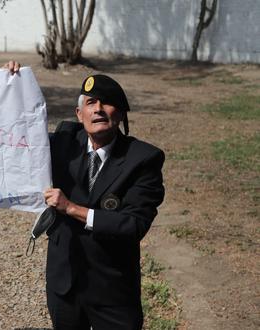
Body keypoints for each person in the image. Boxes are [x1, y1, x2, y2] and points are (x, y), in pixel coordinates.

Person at [43, 74, 165, 329]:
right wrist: (10, 83)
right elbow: (18, 137)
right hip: (64, 284)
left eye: (107, 102)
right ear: (79, 113)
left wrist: (72, 209)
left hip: (113, 290)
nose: (98, 108)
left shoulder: (143, 160)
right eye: (91, 102)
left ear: (120, 114)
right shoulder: (64, 142)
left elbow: (133, 224)